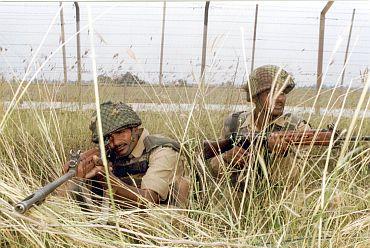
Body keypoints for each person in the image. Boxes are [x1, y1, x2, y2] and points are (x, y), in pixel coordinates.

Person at [209, 65, 311, 212]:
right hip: (235, 205)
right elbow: (213, 171)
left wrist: (280, 155)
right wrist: (226, 157)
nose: (279, 98)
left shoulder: (298, 129)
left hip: (281, 207)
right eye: (271, 92)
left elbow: (296, 179)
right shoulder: (234, 123)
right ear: (255, 97)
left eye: (282, 92)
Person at [60, 101, 190, 211]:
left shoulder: (162, 150)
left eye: (121, 133)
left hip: (167, 212)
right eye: (109, 138)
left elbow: (149, 200)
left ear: (135, 129)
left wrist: (108, 180)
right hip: (130, 211)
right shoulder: (109, 153)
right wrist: (74, 179)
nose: (115, 143)